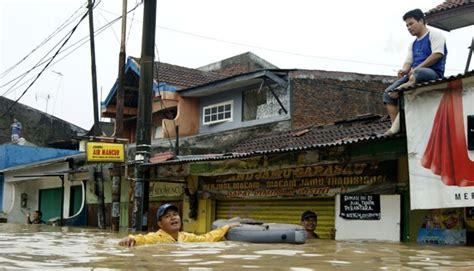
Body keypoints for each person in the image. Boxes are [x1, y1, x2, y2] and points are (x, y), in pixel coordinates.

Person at [383, 8, 447, 135]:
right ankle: (396, 126)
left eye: (411, 24)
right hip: (413, 75)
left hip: (432, 73)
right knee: (387, 94)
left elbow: (437, 54)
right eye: (407, 25)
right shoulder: (412, 44)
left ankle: (405, 87)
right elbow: (408, 63)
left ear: (421, 21)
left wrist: (416, 69)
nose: (409, 27)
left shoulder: (435, 35)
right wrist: (403, 71)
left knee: (418, 73)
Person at [119, 203, 240, 246]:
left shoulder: (186, 237)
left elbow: (207, 238)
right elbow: (143, 239)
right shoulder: (156, 238)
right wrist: (131, 238)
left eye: (175, 214)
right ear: (160, 224)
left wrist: (227, 227)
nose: (173, 218)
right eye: (167, 216)